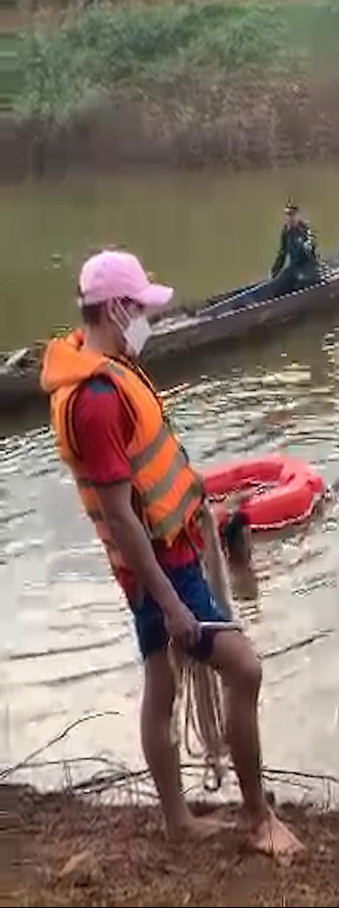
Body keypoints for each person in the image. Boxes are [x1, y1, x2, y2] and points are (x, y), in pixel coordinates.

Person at [38, 250, 302, 858]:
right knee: (245, 668)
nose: (148, 321)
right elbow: (120, 515)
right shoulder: (97, 399)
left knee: (161, 682)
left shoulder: (99, 363)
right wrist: (170, 601)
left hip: (158, 557)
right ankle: (259, 821)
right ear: (115, 308)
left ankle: (178, 820)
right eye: (142, 310)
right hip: (162, 564)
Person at [267, 200, 320, 298]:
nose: (289, 218)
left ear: (298, 216)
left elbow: (310, 245)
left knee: (294, 282)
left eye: (292, 215)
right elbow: (282, 254)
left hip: (308, 272)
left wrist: (307, 246)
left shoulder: (305, 230)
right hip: (294, 271)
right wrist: (274, 271)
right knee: (276, 286)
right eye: (287, 215)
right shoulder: (286, 232)